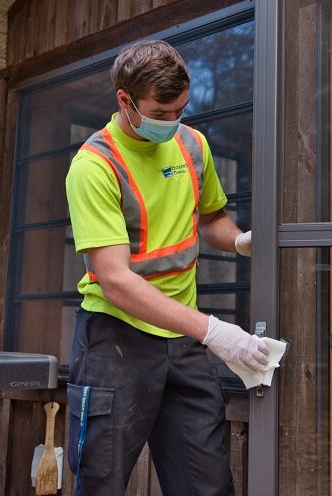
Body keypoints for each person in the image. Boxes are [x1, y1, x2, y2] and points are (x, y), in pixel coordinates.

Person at [64, 39, 269, 495]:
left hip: (182, 342)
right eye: (160, 113)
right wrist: (214, 332)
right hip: (114, 340)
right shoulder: (94, 166)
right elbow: (115, 281)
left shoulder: (193, 145)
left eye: (180, 110)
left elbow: (212, 216)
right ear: (125, 101)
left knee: (207, 484)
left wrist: (238, 241)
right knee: (102, 481)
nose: (172, 122)